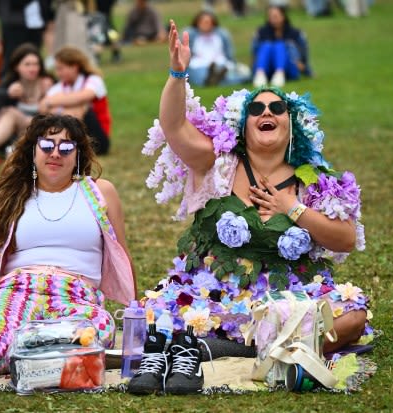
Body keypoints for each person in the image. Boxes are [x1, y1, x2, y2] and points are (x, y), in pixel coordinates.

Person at [128, 20, 370, 395]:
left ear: (292, 126)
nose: (266, 111)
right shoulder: (220, 164)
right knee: (154, 314)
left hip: (288, 293)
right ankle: (257, 346)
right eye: (256, 107)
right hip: (217, 290)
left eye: (277, 107)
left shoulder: (313, 180)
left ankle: (228, 346)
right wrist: (177, 73)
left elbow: (346, 240)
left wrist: (293, 208)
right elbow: (174, 127)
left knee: (353, 318)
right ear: (244, 125)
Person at [0, 113, 135, 392]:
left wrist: (136, 306)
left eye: (66, 147)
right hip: (17, 288)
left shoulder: (99, 192)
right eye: (47, 145)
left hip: (75, 293)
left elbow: (122, 251)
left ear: (78, 155)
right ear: (33, 151)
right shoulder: (15, 195)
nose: (55, 153)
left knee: (99, 326)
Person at [39, 46, 111, 155]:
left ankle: (68, 144)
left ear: (74, 67)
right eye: (57, 69)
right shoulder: (58, 87)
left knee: (81, 108)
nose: (58, 73)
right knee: (63, 113)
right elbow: (42, 107)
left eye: (61, 68)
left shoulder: (93, 80)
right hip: (74, 131)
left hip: (97, 136)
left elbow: (84, 96)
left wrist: (53, 102)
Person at [0, 0, 54, 76]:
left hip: (36, 22)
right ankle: (7, 84)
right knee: (12, 58)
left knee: (33, 57)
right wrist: (2, 11)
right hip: (14, 22)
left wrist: (47, 12)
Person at [184, 10, 251, 87]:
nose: (206, 25)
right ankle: (213, 79)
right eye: (203, 22)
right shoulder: (192, 35)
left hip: (220, 63)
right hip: (198, 64)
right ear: (197, 23)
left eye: (208, 22)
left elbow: (229, 53)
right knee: (200, 75)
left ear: (213, 23)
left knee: (227, 72)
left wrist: (233, 63)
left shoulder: (221, 34)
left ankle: (213, 79)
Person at [251, 5, 312, 88]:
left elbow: (304, 55)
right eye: (271, 17)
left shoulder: (295, 33)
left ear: (283, 16)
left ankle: (279, 73)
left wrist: (306, 69)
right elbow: (254, 54)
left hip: (289, 68)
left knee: (279, 45)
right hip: (267, 68)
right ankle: (260, 74)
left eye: (275, 16)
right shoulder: (261, 33)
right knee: (267, 45)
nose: (273, 19)